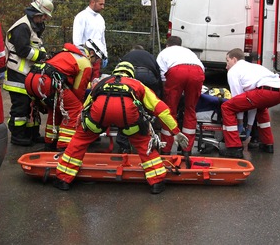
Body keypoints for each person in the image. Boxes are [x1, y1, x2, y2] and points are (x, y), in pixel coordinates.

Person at [53, 62, 188, 194]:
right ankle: (156, 183)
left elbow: (85, 108)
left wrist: (81, 128)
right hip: (129, 118)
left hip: (98, 116)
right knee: (144, 143)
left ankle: (63, 179)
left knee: (79, 141)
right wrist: (175, 131)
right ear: (131, 74)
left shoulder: (101, 83)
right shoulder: (137, 84)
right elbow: (161, 109)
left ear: (115, 72)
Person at [25, 39, 105, 150]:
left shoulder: (66, 53)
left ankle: (50, 142)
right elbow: (79, 91)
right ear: (91, 53)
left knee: (56, 109)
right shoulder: (85, 63)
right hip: (47, 82)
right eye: (96, 59)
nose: (95, 63)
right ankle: (64, 146)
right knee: (75, 109)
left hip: (33, 79)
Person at [2, 0, 54, 146]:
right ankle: (18, 136)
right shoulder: (22, 27)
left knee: (33, 105)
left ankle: (32, 134)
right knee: (21, 107)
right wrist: (42, 56)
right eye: (44, 16)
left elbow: (37, 44)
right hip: (17, 72)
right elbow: (23, 50)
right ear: (37, 13)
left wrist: (46, 56)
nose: (44, 20)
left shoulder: (34, 26)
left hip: (28, 73)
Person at [219, 48, 280, 158]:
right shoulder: (252, 67)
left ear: (234, 60)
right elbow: (251, 104)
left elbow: (236, 100)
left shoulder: (233, 71)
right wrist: (249, 127)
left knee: (227, 106)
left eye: (227, 61)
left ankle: (233, 147)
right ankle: (267, 144)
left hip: (265, 91)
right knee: (261, 108)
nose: (226, 65)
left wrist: (240, 124)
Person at [156, 35, 205, 154]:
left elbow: (163, 77)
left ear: (167, 45)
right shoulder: (188, 52)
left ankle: (166, 149)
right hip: (197, 71)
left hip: (177, 71)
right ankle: (186, 149)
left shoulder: (164, 52)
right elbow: (201, 69)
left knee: (169, 110)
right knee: (190, 109)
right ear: (180, 45)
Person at [115, 45, 164, 153]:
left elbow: (117, 75)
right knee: (147, 109)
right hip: (148, 76)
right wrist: (158, 97)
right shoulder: (150, 56)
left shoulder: (127, 56)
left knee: (124, 108)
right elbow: (158, 78)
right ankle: (148, 139)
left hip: (131, 77)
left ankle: (124, 146)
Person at [73, 0, 107, 79]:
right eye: (100, 4)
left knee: (95, 83)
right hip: (86, 57)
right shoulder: (81, 17)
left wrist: (105, 54)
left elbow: (102, 39)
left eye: (103, 4)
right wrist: (82, 57)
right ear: (92, 2)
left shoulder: (100, 19)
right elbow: (77, 40)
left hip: (98, 57)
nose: (103, 7)